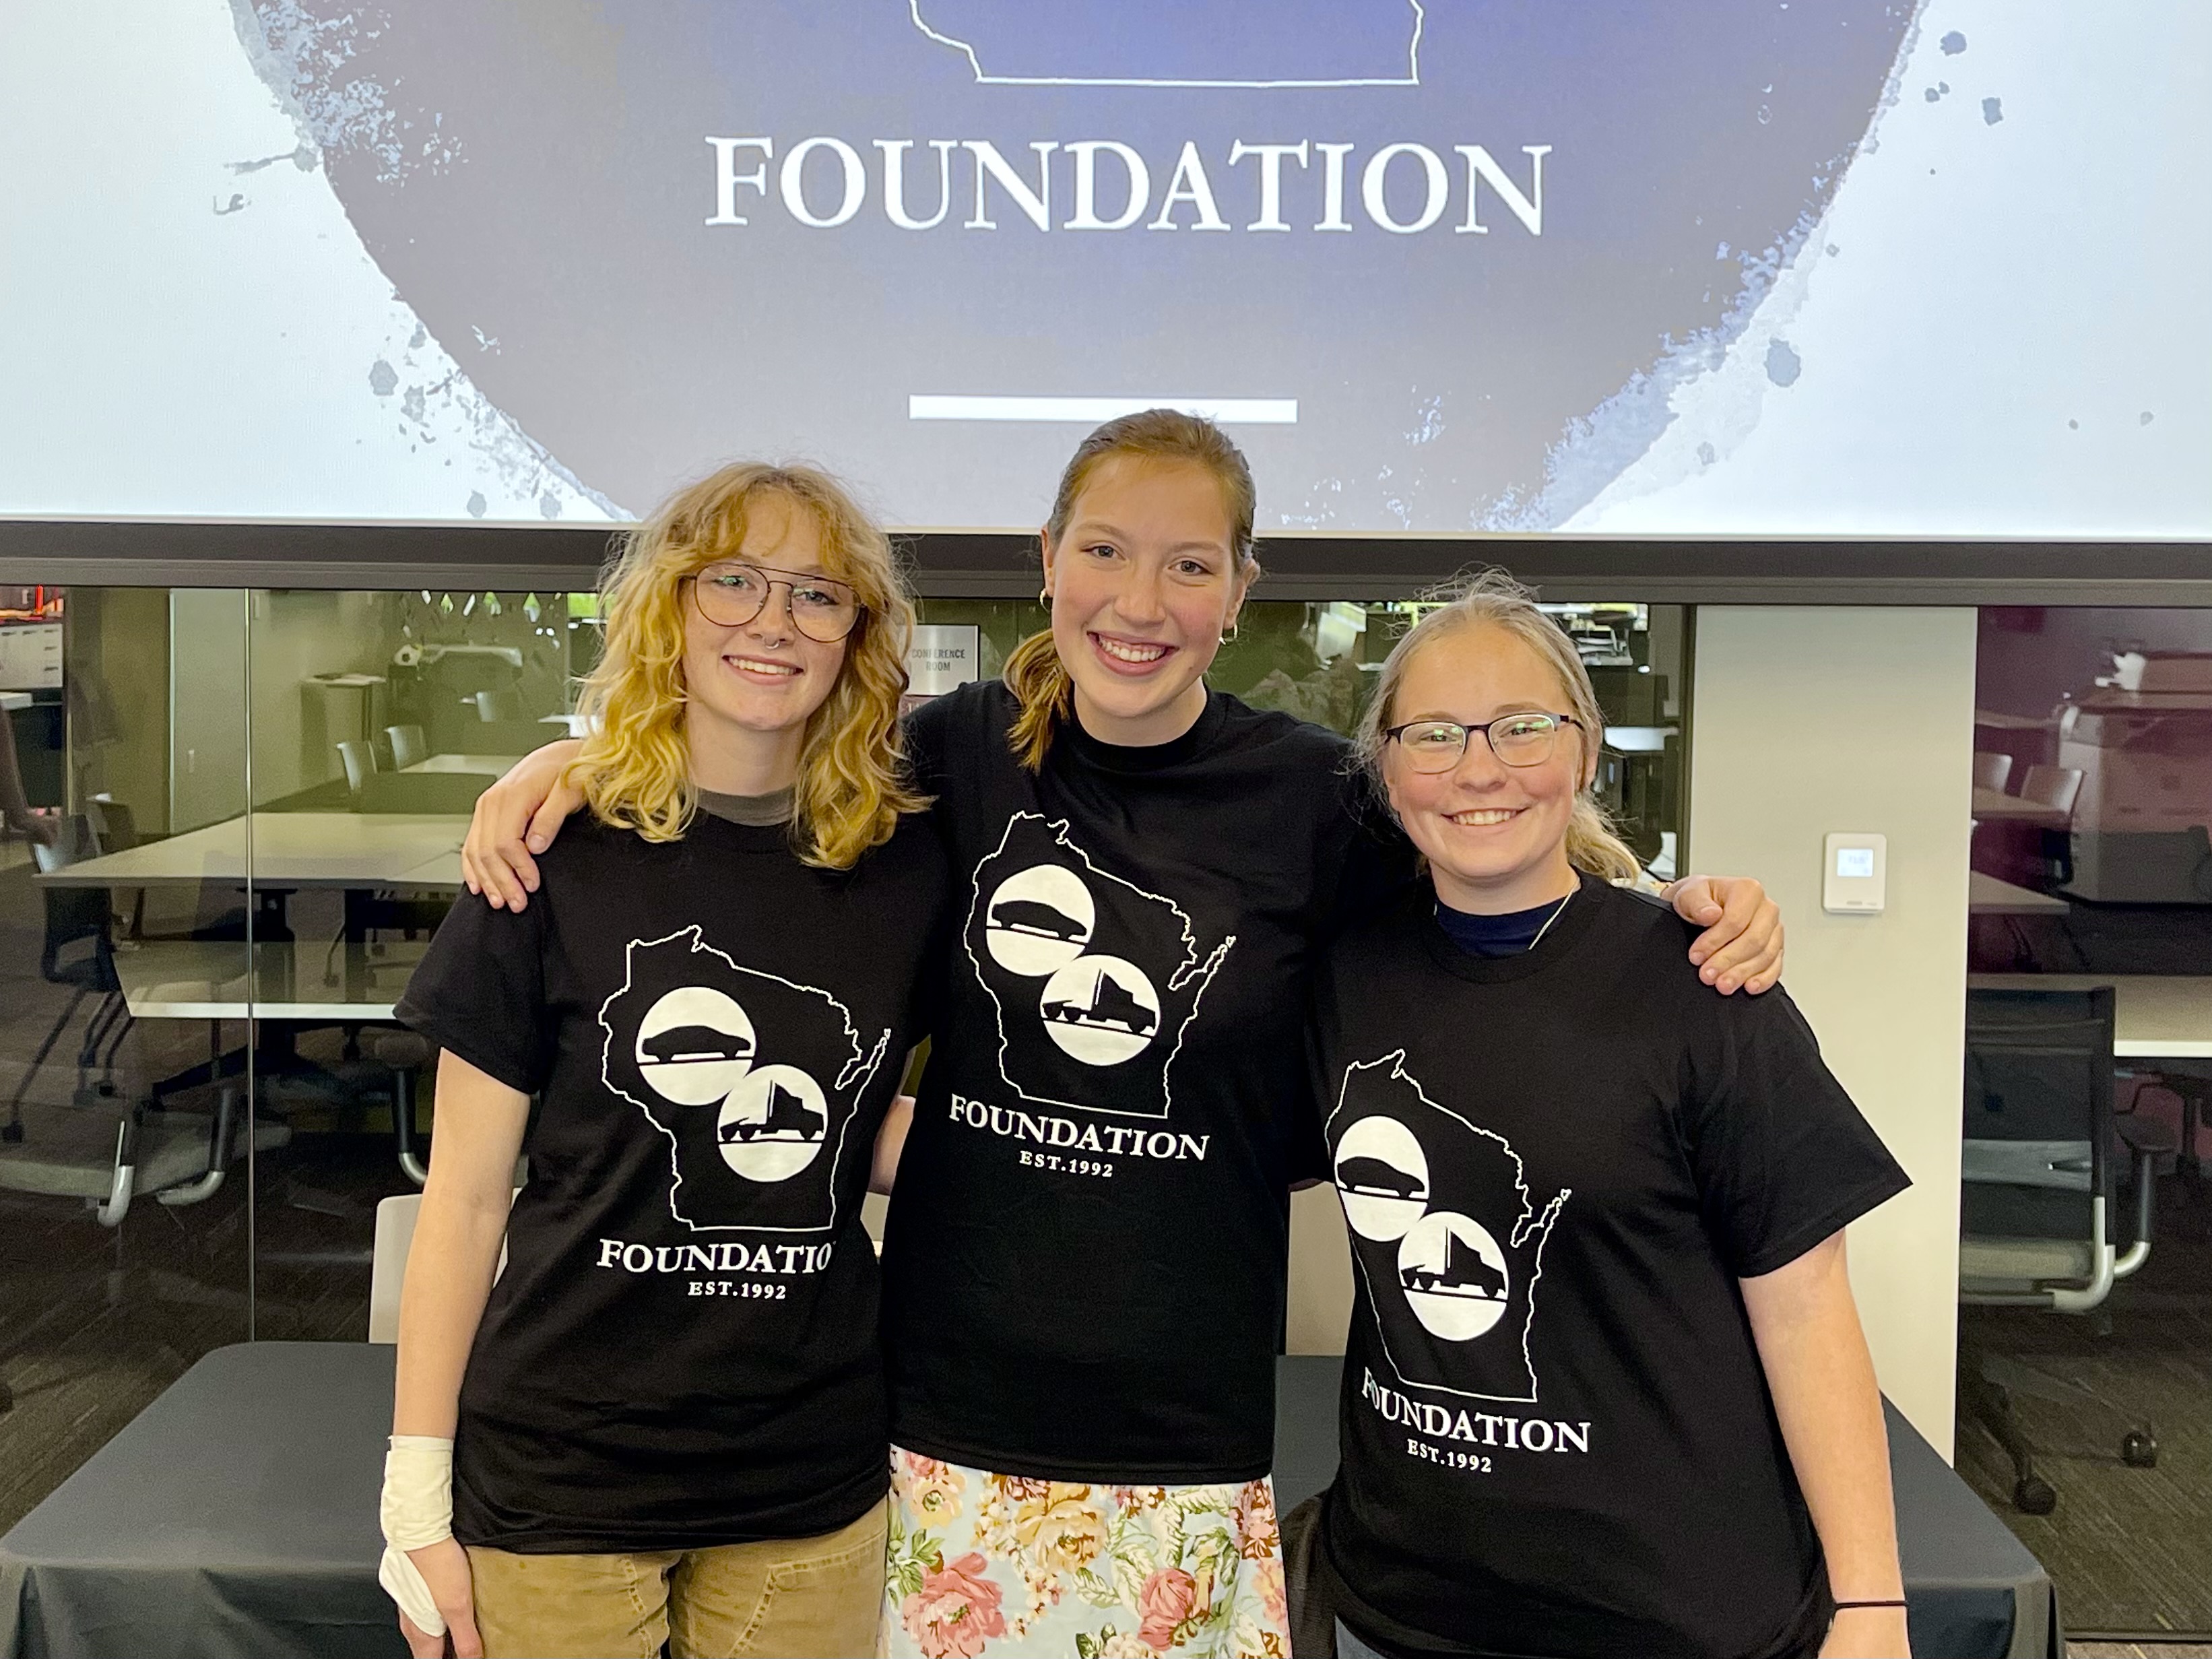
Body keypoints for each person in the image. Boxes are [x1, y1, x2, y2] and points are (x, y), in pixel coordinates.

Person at [459, 412, 1786, 1658]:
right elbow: (757, 766)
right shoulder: (955, 757)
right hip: (931, 1421)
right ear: (1048, 562)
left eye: (1188, 563)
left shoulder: (1311, 798)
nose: (1139, 601)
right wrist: (562, 763)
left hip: (1184, 1437)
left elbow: (1492, 852)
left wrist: (1664, 904)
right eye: (1103, 550)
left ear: (1239, 586)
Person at [381, 463, 946, 1659]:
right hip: (560, 1477)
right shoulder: (548, 855)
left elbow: (876, 1124)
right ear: (670, 608)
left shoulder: (903, 865)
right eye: (732, 582)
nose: (771, 621)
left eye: (817, 595)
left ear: (859, 637)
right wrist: (415, 1486)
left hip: (808, 1480)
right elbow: (467, 1197)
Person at [1310, 571, 1910, 1659]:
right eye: (1435, 734)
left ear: (1584, 751)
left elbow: (1809, 1309)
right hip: (1406, 1606)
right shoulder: (1345, 977)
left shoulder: (1705, 992)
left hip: (1669, 1615)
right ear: (1387, 769)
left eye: (1522, 728)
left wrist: (1872, 1607)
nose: (1479, 768)